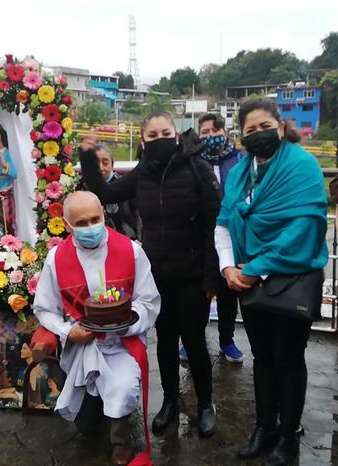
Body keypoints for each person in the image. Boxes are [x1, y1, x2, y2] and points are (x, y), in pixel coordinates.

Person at [80, 111, 222, 438]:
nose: (160, 139)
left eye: (165, 133)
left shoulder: (197, 169)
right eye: (153, 135)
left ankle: (205, 404)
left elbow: (214, 225)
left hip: (192, 273)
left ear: (176, 135)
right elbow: (104, 192)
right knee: (165, 339)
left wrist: (211, 277)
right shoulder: (142, 172)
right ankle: (170, 400)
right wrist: (88, 157)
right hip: (157, 273)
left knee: (195, 339)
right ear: (143, 140)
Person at [215, 99, 328, 465]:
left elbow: (304, 227)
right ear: (242, 137)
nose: (258, 135)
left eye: (264, 126)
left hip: (289, 276)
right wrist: (228, 267)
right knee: (262, 357)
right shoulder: (240, 172)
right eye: (250, 130)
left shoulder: (301, 165)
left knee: (288, 358)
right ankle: (264, 425)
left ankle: (288, 434)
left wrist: (255, 267)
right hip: (248, 279)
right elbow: (224, 221)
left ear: (280, 127)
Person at [33, 191, 160, 464]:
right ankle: (96, 417)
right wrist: (69, 332)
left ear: (104, 214)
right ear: (67, 225)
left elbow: (148, 300)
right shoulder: (56, 258)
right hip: (82, 342)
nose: (90, 227)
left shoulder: (131, 250)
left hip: (121, 342)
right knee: (88, 426)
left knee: (123, 388)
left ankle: (120, 440)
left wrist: (126, 323)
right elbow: (44, 308)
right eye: (81, 223)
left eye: (95, 219)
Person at [182, 112, 245, 364]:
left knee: (229, 291)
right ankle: (191, 341)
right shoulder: (193, 160)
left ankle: (226, 341)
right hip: (201, 236)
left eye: (215, 131)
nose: (210, 136)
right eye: (205, 132)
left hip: (231, 233)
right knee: (198, 291)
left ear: (225, 132)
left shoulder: (239, 160)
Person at [95, 144, 140, 239]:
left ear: (112, 164)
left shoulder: (125, 184)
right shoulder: (83, 187)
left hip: (126, 239)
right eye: (95, 163)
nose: (101, 167)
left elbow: (139, 215)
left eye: (105, 162)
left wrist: (140, 239)